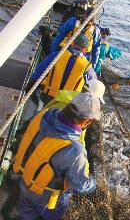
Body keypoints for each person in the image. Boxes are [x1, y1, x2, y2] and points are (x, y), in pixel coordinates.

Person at [13, 91, 102, 220]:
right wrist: (93, 183)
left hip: (25, 182)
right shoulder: (75, 150)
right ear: (87, 121)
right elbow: (79, 184)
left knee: (26, 215)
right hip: (47, 200)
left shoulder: (43, 114)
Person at [30, 34, 97, 106]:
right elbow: (94, 86)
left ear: (73, 44)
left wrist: (31, 83)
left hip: (48, 97)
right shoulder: (87, 67)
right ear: (86, 50)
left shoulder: (56, 55)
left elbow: (40, 70)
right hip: (68, 103)